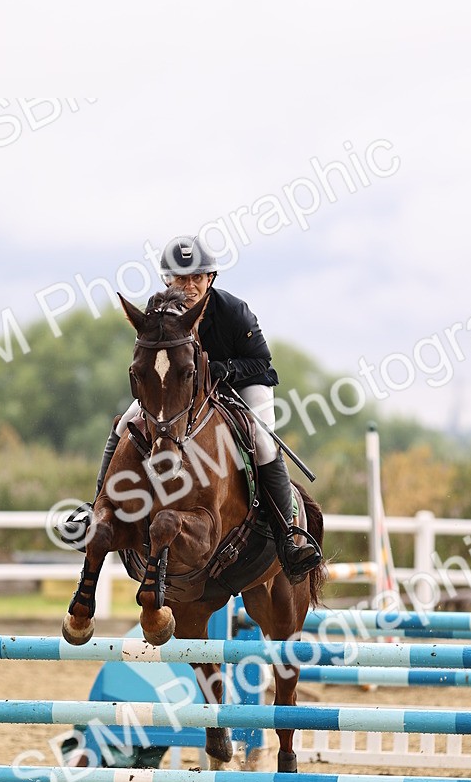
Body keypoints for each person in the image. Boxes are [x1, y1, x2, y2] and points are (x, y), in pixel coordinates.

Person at [78, 235, 322, 582]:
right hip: (181, 393)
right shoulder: (158, 310)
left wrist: (227, 370)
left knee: (264, 441)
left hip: (242, 385)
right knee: (123, 425)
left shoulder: (233, 311)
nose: (190, 286)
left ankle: (290, 535)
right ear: (168, 281)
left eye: (197, 278)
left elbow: (263, 363)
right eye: (181, 279)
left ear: (210, 279)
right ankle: (95, 508)